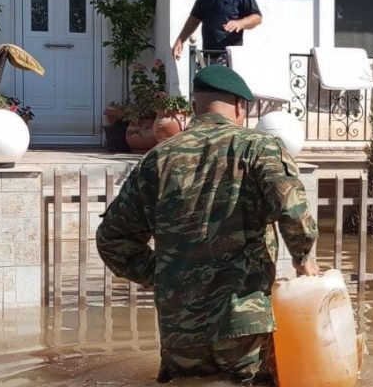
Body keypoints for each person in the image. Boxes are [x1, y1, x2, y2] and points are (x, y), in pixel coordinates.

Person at [96, 65, 319, 385]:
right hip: (242, 322)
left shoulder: (158, 159)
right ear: (241, 106)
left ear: (195, 107)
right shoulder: (258, 148)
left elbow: (112, 239)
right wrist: (304, 261)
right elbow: (293, 214)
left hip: (180, 329)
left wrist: (161, 274)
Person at [172, 0, 263, 61]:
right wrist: (180, 41)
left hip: (230, 57)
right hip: (208, 55)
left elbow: (257, 17)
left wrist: (241, 23)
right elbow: (194, 19)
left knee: (227, 83)